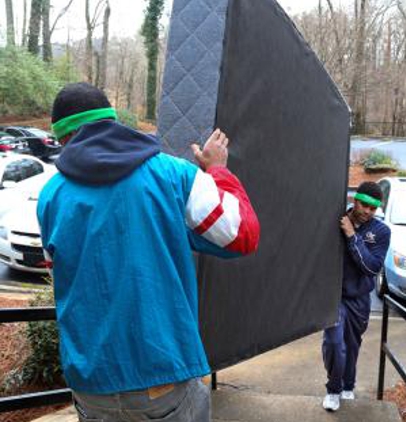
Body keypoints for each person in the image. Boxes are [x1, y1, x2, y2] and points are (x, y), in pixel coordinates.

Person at [37, 82, 260, 422]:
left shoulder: (50, 197)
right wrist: (218, 171)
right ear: (112, 121)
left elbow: (62, 277)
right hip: (162, 379)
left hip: (91, 384)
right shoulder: (173, 174)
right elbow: (242, 235)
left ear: (63, 138)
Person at [322, 181, 390, 412]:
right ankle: (333, 389)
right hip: (333, 296)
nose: (368, 212)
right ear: (354, 200)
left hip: (359, 299)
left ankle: (347, 385)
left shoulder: (381, 231)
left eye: (373, 209)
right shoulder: (335, 219)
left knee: (351, 346)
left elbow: (371, 268)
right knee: (333, 343)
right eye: (364, 206)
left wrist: (352, 236)